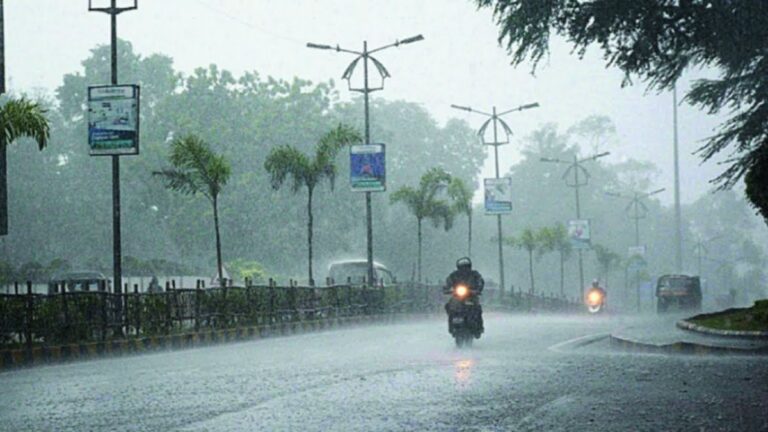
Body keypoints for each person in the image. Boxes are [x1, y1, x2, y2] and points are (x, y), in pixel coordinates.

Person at [444, 257, 484, 335]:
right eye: (462, 267)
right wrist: (447, 288)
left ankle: (479, 327)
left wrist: (478, 289)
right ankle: (451, 325)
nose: (464, 269)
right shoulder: (454, 275)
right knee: (449, 306)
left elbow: (480, 281)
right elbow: (448, 282)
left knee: (477, 308)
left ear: (469, 266)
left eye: (466, 267)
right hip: (457, 297)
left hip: (471, 296)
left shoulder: (474, 274)